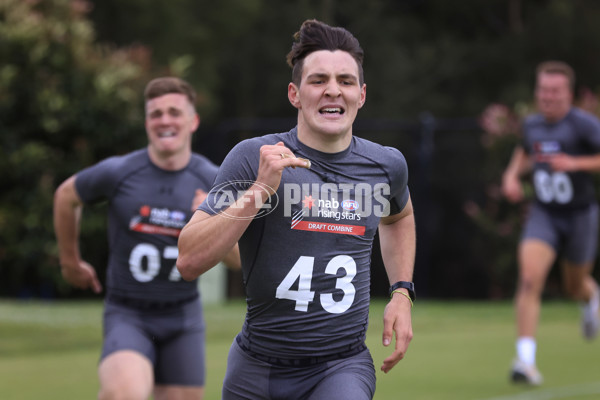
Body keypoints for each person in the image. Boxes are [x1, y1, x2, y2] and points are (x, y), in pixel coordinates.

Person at [177, 19, 416, 400]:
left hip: (341, 366)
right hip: (257, 368)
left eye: (346, 81)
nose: (333, 91)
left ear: (362, 94)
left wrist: (402, 291)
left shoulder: (385, 166)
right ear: (295, 93)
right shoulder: (254, 157)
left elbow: (399, 216)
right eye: (318, 80)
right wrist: (258, 191)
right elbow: (189, 259)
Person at [53, 76, 240, 400]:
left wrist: (213, 223)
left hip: (183, 316)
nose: (165, 120)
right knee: (124, 393)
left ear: (192, 121)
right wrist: (70, 261)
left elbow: (239, 262)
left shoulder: (214, 181)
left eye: (174, 112)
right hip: (129, 314)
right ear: (146, 123)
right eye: (156, 114)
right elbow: (66, 195)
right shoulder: (120, 171)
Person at [502, 60, 600, 385]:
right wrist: (512, 175)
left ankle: (590, 298)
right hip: (544, 214)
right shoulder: (531, 125)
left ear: (569, 94)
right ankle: (525, 362)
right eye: (543, 90)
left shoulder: (584, 125)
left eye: (555, 91)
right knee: (529, 279)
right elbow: (525, 152)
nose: (548, 96)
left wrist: (576, 163)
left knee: (574, 285)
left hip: (580, 215)